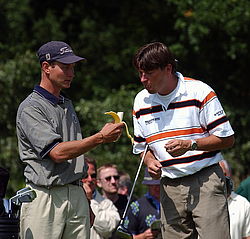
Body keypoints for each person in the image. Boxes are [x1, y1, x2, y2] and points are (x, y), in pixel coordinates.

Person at [16, 41, 124, 239]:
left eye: (73, 67)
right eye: (65, 67)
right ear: (46, 67)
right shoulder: (31, 107)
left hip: (76, 193)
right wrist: (100, 137)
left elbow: (74, 159)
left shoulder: (67, 103)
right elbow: (56, 152)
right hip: (45, 196)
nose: (71, 73)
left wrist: (82, 198)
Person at [132, 42, 235, 239]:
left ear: (168, 68)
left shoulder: (200, 91)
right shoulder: (140, 101)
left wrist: (191, 144)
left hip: (205, 179)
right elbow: (141, 147)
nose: (143, 79)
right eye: (140, 73)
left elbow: (227, 138)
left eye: (149, 73)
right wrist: (149, 161)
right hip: (169, 184)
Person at [82, 156, 120, 239]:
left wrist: (90, 201)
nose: (90, 179)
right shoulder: (68, 199)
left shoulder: (107, 204)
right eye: (85, 175)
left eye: (93, 175)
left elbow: (107, 229)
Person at [123, 168, 161, 239]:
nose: (157, 188)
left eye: (159, 184)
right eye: (153, 185)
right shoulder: (136, 206)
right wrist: (143, 236)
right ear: (148, 185)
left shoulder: (173, 203)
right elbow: (126, 236)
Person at [219, 159, 250, 239]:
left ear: (230, 175)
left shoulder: (243, 204)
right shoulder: (201, 206)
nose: (220, 179)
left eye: (224, 174)